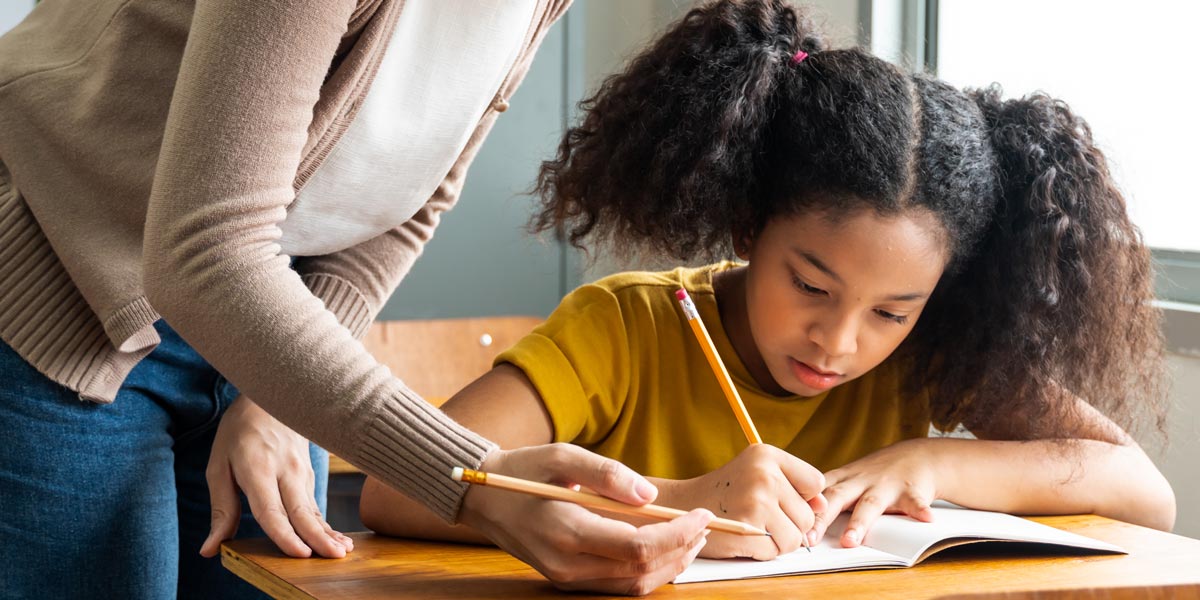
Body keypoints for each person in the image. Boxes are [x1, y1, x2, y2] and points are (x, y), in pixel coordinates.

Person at [359, 0, 1176, 561]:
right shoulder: (628, 329)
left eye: (892, 311)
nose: (840, 341)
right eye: (812, 287)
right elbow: (395, 492)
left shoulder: (930, 353)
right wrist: (684, 502)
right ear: (750, 225)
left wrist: (934, 461)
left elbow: (1144, 494)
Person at [0, 1, 714, 598]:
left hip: (269, 318)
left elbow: (412, 197)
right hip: (64, 282)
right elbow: (204, 251)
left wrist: (275, 398)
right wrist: (472, 480)